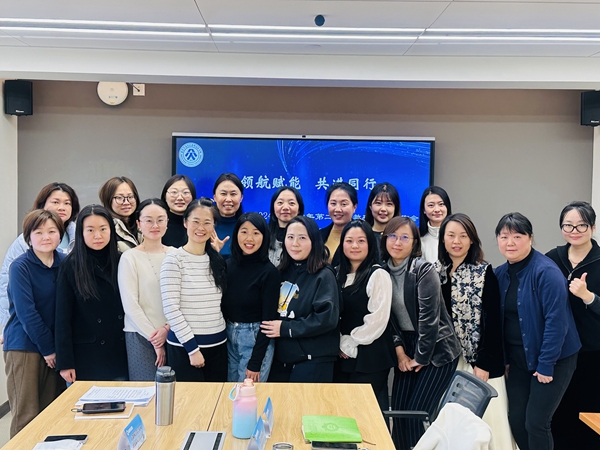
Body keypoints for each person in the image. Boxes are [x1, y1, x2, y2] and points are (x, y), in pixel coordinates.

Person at [494, 212, 580, 450]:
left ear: (530, 238)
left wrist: (545, 364)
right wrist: (505, 360)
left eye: (517, 236)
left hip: (554, 358)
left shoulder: (546, 272)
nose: (510, 243)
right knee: (517, 421)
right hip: (519, 360)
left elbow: (557, 323)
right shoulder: (499, 274)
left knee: (536, 423)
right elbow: (499, 323)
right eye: (504, 237)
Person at [435, 213, 513, 450]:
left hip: (480, 362)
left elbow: (493, 322)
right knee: (453, 426)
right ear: (443, 239)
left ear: (472, 240)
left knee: (488, 424)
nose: (456, 241)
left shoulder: (484, 272)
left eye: (463, 236)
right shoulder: (437, 273)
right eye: (451, 235)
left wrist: (484, 363)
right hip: (449, 360)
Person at [381, 216, 460, 450]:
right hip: (406, 346)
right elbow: (389, 321)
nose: (397, 242)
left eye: (405, 237)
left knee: (417, 416)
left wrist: (421, 357)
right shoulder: (382, 271)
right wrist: (400, 354)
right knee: (400, 415)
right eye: (393, 236)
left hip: (437, 350)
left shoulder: (423, 270)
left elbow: (429, 319)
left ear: (415, 242)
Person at [3, 210, 66, 437]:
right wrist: (48, 349)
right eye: (38, 232)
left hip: (55, 347)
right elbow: (26, 313)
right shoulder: (20, 267)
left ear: (60, 234)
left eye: (52, 231)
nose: (46, 237)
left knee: (52, 414)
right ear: (28, 237)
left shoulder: (65, 263)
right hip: (24, 346)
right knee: (26, 416)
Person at [546, 201, 600, 450]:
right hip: (559, 352)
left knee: (589, 417)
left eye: (581, 225)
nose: (574, 230)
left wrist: (588, 296)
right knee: (558, 415)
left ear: (593, 227)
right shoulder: (551, 259)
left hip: (593, 352)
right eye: (568, 225)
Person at [262, 216, 340, 382]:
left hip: (313, 360)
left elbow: (326, 319)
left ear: (314, 241)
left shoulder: (324, 275)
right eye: (290, 237)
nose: (295, 243)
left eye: (302, 238)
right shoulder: (280, 271)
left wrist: (286, 328)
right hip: (281, 359)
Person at [55, 205, 128, 382]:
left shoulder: (123, 260)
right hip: (86, 355)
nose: (98, 236)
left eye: (103, 229)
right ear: (81, 232)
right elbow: (62, 318)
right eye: (90, 230)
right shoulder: (70, 265)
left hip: (120, 352)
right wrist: (65, 362)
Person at [160, 198, 228, 382]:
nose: (201, 227)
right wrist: (192, 349)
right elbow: (171, 308)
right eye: (195, 221)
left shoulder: (217, 261)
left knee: (216, 398)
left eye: (207, 222)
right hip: (185, 348)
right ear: (185, 222)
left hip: (218, 344)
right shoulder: (174, 259)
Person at [0, 182, 79, 331]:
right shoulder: (24, 241)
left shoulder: (79, 236)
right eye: (55, 202)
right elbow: (7, 284)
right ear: (43, 205)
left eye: (67, 203)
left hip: (63, 323)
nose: (61, 207)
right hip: (28, 325)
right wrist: (6, 325)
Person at [335, 219, 395, 411]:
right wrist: (340, 342)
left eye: (361, 241)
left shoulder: (378, 274)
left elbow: (378, 319)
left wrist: (350, 342)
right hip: (341, 354)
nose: (355, 245)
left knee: (362, 411)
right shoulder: (337, 274)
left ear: (370, 243)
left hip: (370, 356)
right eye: (349, 240)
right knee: (342, 410)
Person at [118, 199, 173, 381]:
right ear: (139, 224)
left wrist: (167, 329)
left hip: (174, 333)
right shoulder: (129, 257)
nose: (155, 225)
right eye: (148, 220)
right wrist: (155, 339)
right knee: (145, 391)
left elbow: (184, 299)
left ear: (167, 222)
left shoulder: (176, 254)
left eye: (160, 220)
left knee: (176, 391)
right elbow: (130, 304)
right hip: (139, 335)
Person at [222, 213, 280, 382]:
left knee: (247, 393)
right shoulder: (228, 265)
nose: (249, 238)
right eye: (244, 232)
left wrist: (255, 362)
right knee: (231, 392)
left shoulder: (269, 272)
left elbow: (268, 321)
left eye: (256, 233)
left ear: (264, 236)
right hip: (229, 335)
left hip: (254, 339)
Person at [98, 176, 141, 253]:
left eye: (130, 196)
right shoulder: (105, 228)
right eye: (119, 198)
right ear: (108, 200)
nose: (126, 202)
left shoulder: (144, 223)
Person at [320, 182, 358, 266]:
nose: (337, 209)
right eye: (333, 203)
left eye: (344, 204)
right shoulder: (319, 235)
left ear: (354, 207)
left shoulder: (363, 236)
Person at [268, 186, 304, 266]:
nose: (285, 208)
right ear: (273, 207)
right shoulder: (263, 234)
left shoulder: (308, 236)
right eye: (280, 203)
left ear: (299, 209)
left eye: (291, 203)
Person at [212, 173, 244, 259]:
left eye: (233, 194)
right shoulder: (206, 227)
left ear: (241, 197)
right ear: (214, 197)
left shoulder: (248, 226)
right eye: (223, 194)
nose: (228, 199)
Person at [160, 174, 196, 248]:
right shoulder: (158, 223)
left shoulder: (198, 224)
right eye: (174, 192)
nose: (180, 198)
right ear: (165, 196)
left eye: (185, 193)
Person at [418, 186, 452, 263]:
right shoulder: (418, 239)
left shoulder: (457, 237)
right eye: (431, 205)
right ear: (424, 210)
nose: (437, 209)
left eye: (441, 204)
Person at [364, 182, 401, 252]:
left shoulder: (401, 237)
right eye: (378, 203)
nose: (383, 209)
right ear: (370, 206)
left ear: (395, 208)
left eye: (389, 204)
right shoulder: (363, 235)